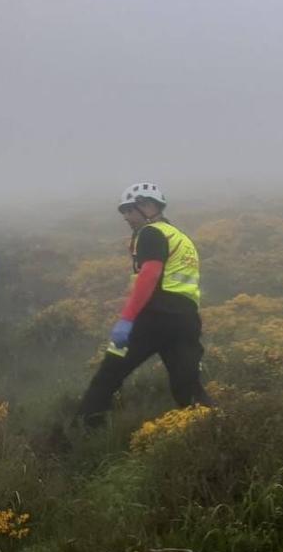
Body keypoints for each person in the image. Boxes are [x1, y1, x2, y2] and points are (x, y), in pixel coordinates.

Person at [75, 182, 213, 426]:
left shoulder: (151, 233)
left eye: (130, 210)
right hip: (185, 320)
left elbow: (150, 274)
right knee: (187, 385)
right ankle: (213, 431)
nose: (126, 217)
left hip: (154, 317)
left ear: (148, 206)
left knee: (109, 375)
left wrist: (126, 320)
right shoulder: (179, 236)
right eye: (124, 212)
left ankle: (81, 434)